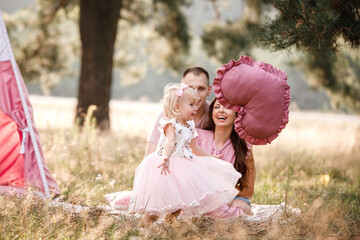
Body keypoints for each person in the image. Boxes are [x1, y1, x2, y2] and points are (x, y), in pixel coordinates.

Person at [127, 83, 241, 227]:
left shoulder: (190, 126)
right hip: (165, 166)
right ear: (177, 107)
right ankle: (142, 229)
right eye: (191, 105)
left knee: (177, 206)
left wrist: (211, 156)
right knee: (154, 211)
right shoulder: (171, 124)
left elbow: (195, 148)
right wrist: (166, 157)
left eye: (197, 104)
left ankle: (168, 227)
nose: (196, 108)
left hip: (183, 165)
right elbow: (170, 142)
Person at [197, 98, 256, 216]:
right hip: (198, 197)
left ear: (237, 115)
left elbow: (248, 191)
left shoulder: (244, 147)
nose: (221, 111)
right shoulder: (197, 137)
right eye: (217, 107)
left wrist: (224, 192)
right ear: (211, 113)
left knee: (242, 207)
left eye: (228, 107)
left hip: (228, 200)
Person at [145, 66, 212, 157]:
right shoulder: (168, 113)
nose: (196, 93)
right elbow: (152, 149)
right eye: (190, 88)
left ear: (209, 90)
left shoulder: (214, 113)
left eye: (201, 88)